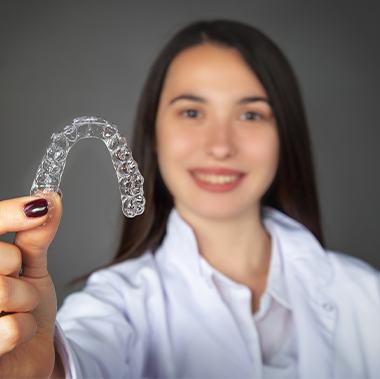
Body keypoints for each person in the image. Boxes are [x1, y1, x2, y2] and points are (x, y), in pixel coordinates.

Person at [0, 19, 379, 379]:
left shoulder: (366, 295)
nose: (219, 146)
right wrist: (48, 368)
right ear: (154, 131)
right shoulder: (116, 305)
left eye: (250, 115)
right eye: (192, 111)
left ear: (284, 134)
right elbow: (85, 356)